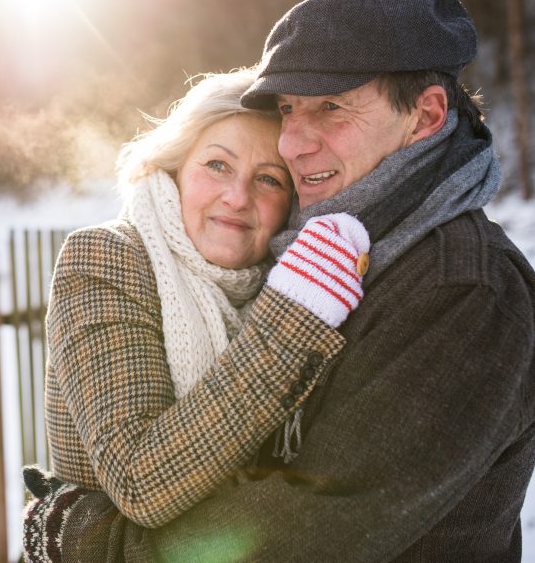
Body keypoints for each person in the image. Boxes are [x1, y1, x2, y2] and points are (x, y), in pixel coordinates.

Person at [24, 0, 535, 561]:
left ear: (424, 117)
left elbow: (309, 529)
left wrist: (88, 540)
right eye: (289, 110)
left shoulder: (463, 289)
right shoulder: (335, 259)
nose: (293, 143)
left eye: (330, 108)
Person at [22, 68, 371, 560]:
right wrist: (292, 320)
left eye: (268, 179)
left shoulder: (292, 277)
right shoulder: (106, 258)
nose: (237, 198)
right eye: (217, 165)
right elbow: (141, 481)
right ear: (176, 168)